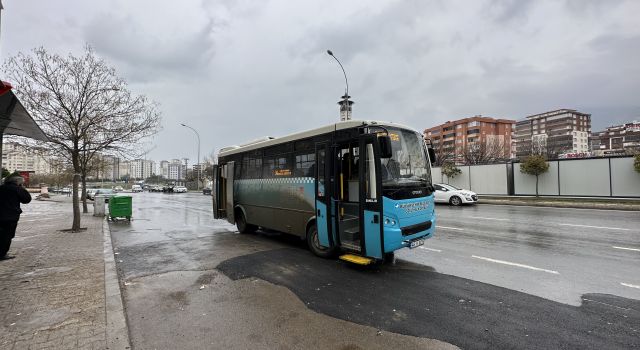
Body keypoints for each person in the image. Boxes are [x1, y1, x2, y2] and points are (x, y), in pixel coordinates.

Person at [0, 172, 32, 260]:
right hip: (10, 217)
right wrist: (22, 188)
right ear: (18, 182)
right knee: (7, 235)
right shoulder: (17, 189)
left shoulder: (1, 188)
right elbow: (26, 199)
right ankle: (2, 254)